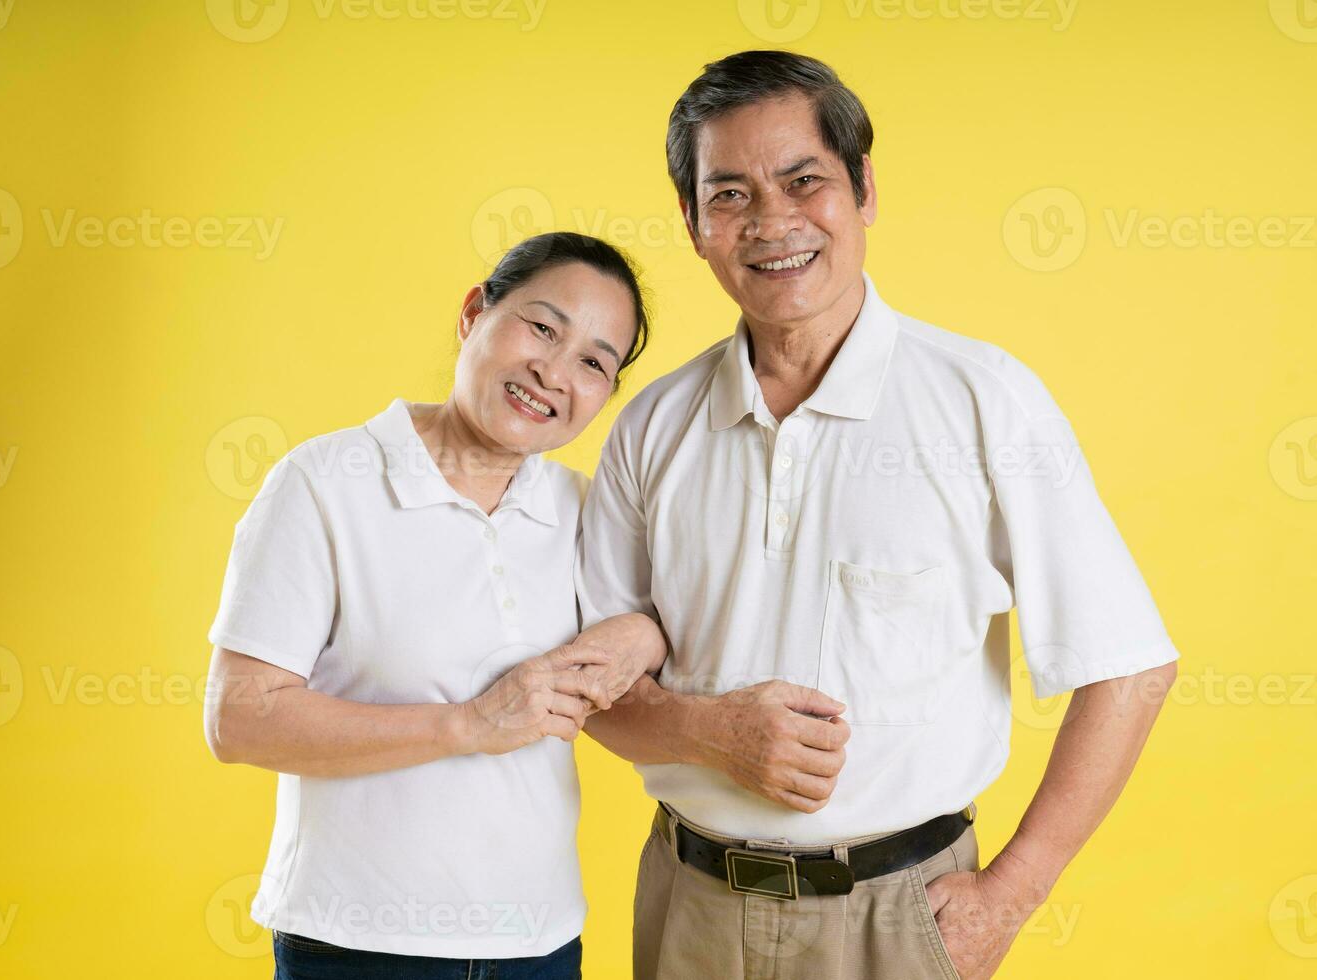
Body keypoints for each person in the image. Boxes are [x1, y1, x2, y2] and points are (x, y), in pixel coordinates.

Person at [577, 50, 1181, 980]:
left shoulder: (984, 401)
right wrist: (710, 733)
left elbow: (1130, 668)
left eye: (803, 180)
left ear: (863, 189)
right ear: (694, 225)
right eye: (729, 194)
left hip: (900, 921)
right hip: (685, 905)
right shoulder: (652, 424)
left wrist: (1009, 899)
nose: (772, 221)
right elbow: (592, 695)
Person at [203, 231, 666, 979]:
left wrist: (644, 635)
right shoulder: (326, 484)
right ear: (473, 313)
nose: (553, 372)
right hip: (356, 944)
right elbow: (239, 718)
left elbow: (662, 627)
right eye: (542, 328)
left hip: (537, 946)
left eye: (593, 361)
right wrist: (465, 724)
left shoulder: (585, 512)